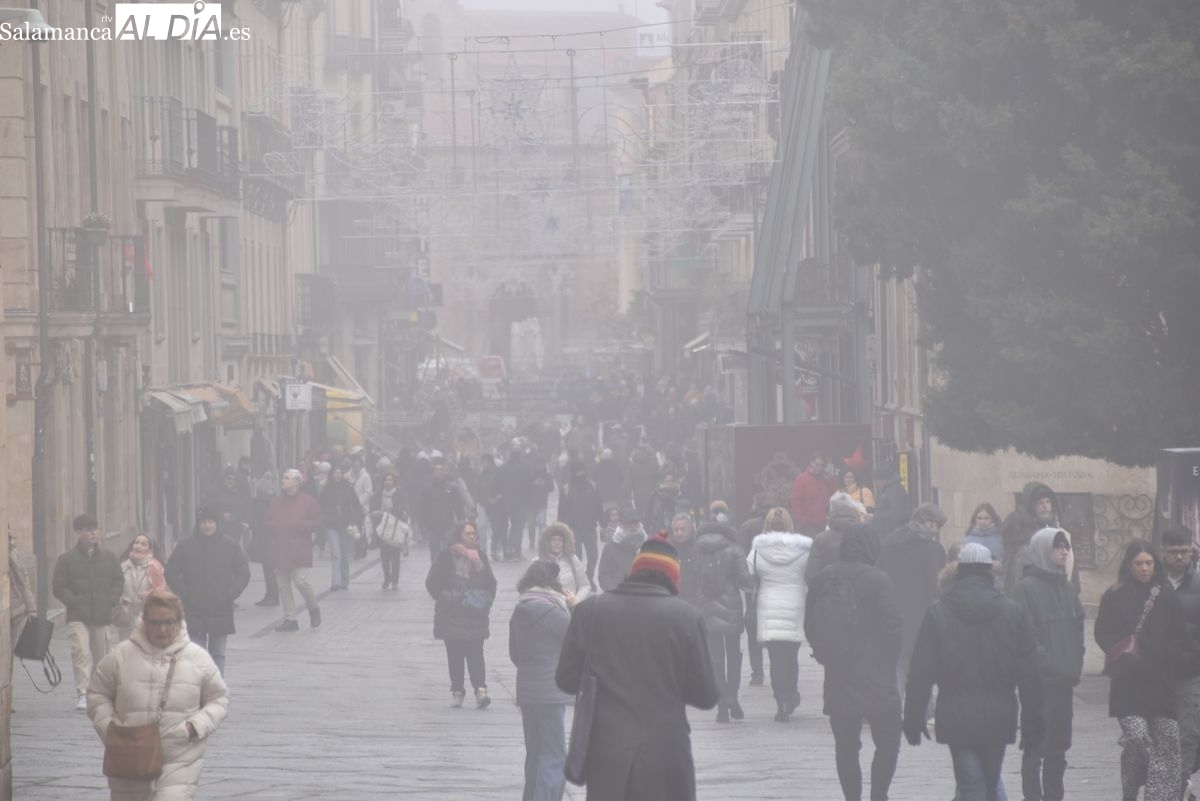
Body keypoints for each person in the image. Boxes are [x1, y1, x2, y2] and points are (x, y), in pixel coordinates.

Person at [556, 535, 720, 801]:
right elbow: (706, 695)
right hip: (666, 750)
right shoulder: (687, 618)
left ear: (634, 570)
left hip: (607, 750)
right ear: (673, 576)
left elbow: (566, 679)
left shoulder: (591, 610)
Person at [903, 543, 1043, 801]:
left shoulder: (938, 612)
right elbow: (1029, 675)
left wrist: (913, 716)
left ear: (959, 571)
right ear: (990, 570)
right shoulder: (1012, 612)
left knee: (970, 784)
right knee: (989, 783)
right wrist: (1033, 724)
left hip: (956, 713)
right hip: (999, 713)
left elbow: (921, 671)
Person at [87, 589, 229, 801]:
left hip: (179, 757)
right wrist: (109, 727)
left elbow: (219, 699)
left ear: (179, 622)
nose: (162, 629)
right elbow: (97, 693)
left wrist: (195, 726)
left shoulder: (198, 659)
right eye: (155, 623)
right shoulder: (121, 656)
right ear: (145, 621)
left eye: (168, 622)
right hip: (130, 755)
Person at [805, 523, 902, 801]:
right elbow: (893, 626)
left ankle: (852, 798)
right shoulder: (878, 579)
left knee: (846, 747)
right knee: (888, 741)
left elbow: (810, 624)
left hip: (838, 674)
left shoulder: (824, 578)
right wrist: (890, 657)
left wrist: (828, 652)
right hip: (877, 676)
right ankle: (879, 795)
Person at [1096, 541, 1194, 801]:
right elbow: (1102, 632)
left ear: (1155, 564)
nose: (1144, 568)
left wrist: (1169, 655)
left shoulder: (1167, 596)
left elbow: (1180, 637)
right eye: (1139, 563)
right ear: (1129, 565)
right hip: (1128, 683)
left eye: (1149, 563)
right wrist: (1120, 651)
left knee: (1167, 744)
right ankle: (1132, 783)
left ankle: (1159, 796)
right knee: (1137, 738)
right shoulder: (1114, 595)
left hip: (1161, 684)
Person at [1013, 528, 1085, 801]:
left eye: (1066, 547)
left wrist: (1075, 663)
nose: (1064, 552)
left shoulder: (1068, 588)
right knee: (1036, 745)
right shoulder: (1025, 588)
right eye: (1058, 547)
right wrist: (1050, 665)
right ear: (1044, 550)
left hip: (1064, 681)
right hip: (1038, 682)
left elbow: (1078, 630)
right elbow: (1026, 634)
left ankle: (1055, 795)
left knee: (1059, 745)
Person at [509, 560, 572, 801]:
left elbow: (515, 653)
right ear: (551, 580)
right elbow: (577, 639)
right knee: (553, 754)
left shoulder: (520, 609)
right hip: (551, 690)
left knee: (535, 752)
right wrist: (574, 607)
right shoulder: (553, 612)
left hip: (528, 690)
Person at [164, 507, 251, 675]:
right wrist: (185, 593)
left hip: (221, 608)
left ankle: (217, 686)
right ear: (198, 524)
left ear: (216, 523)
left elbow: (243, 573)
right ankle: (201, 686)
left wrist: (230, 594)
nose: (207, 526)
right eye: (203, 522)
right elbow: (171, 572)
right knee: (197, 654)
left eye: (211, 522)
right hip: (194, 609)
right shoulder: (185, 545)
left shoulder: (230, 545)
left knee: (218, 653)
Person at [52, 513, 124, 711]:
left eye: (95, 529)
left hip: (101, 614)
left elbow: (118, 580)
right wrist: (74, 602)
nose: (93, 533)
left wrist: (111, 600)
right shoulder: (66, 559)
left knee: (102, 656)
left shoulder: (109, 557)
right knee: (81, 652)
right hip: (78, 615)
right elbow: (59, 587)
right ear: (78, 532)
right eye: (88, 530)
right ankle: (83, 692)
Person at [747, 507, 812, 722]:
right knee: (791, 655)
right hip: (795, 603)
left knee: (775, 658)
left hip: (769, 604)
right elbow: (811, 573)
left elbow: (748, 572)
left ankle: (781, 700)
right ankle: (791, 694)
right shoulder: (803, 550)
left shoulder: (758, 551)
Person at [425, 520, 498, 709]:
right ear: (459, 535)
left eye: (474, 533)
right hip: (452, 614)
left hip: (475, 613)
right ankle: (457, 690)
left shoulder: (480, 556)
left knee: (476, 654)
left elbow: (491, 582)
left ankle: (481, 690)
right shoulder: (446, 556)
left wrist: (486, 600)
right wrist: (448, 597)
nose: (472, 536)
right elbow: (432, 582)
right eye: (468, 533)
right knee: (455, 655)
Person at [878, 502, 948, 692]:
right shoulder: (933, 549)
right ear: (926, 522)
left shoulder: (889, 542)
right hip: (921, 614)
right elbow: (936, 586)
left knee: (899, 662)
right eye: (935, 525)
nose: (936, 531)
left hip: (892, 610)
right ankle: (923, 706)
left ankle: (894, 704)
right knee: (921, 666)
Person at [694, 501, 753, 722]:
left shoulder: (697, 549)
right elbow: (744, 579)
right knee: (734, 653)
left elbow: (694, 576)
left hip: (706, 607)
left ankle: (721, 707)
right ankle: (732, 697)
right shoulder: (734, 549)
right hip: (731, 608)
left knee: (715, 657)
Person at [1162, 526, 1200, 798]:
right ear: (1163, 551)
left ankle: (1178, 788)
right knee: (1159, 736)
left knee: (1187, 732)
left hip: (1191, 670)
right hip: (1157, 673)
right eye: (1173, 551)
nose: (1179, 557)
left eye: (1184, 552)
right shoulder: (1151, 581)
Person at [265, 469, 323, 632]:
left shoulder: (308, 501)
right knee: (283, 585)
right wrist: (274, 526)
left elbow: (318, 522)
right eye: (283, 478)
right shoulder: (276, 501)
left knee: (300, 581)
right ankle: (290, 619)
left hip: (299, 548)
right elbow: (267, 520)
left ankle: (313, 607)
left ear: (297, 482)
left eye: (287, 478)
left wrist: (300, 525)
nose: (283, 480)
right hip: (280, 547)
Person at [1019, 482, 1080, 594]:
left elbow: (1070, 564)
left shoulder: (1062, 532)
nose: (1046, 507)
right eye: (1040, 503)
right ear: (1032, 507)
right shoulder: (1024, 532)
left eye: (1048, 502)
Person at [557, 463, 605, 582]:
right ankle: (581, 580)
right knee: (577, 558)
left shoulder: (592, 487)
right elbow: (561, 511)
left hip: (590, 528)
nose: (581, 474)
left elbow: (599, 507)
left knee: (593, 556)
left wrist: (603, 525)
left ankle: (589, 576)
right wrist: (560, 530)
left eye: (583, 472)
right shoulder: (566, 489)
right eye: (579, 472)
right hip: (573, 529)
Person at [806, 491, 869, 582]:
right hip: (861, 588)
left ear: (831, 511)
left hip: (830, 588)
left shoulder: (821, 539)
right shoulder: (866, 536)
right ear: (852, 508)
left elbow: (811, 574)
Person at [417, 456, 471, 561]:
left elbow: (458, 507)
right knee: (434, 553)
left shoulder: (451, 488)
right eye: (437, 470)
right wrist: (422, 525)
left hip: (448, 525)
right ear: (433, 472)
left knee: (449, 551)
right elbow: (422, 508)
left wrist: (461, 522)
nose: (440, 472)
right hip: (432, 526)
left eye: (442, 469)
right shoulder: (427, 489)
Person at [114, 533, 166, 642]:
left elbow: (162, 592)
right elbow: (115, 586)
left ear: (150, 550)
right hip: (126, 617)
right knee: (126, 648)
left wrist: (149, 594)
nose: (138, 546)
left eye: (143, 544)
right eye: (136, 543)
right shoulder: (123, 566)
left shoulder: (155, 567)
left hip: (147, 617)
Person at [320, 465, 363, 591]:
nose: (338, 475)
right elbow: (321, 506)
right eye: (335, 473)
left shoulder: (348, 488)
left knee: (344, 554)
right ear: (331, 475)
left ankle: (344, 580)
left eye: (339, 473)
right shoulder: (326, 489)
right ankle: (335, 582)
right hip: (331, 525)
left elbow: (356, 504)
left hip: (345, 525)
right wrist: (325, 520)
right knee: (336, 554)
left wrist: (356, 519)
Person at [534, 522, 590, 605]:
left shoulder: (572, 560)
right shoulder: (537, 562)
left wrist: (576, 600)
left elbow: (585, 586)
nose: (557, 543)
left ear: (565, 542)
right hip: (546, 608)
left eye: (560, 540)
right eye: (553, 540)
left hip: (570, 608)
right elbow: (529, 589)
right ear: (547, 542)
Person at [371, 472, 408, 590]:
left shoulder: (399, 494)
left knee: (395, 555)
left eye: (390, 480)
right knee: (384, 555)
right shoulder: (378, 494)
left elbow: (403, 509)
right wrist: (376, 513)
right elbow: (372, 508)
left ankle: (395, 581)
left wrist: (389, 512)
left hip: (395, 527)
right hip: (382, 527)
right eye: (386, 480)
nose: (388, 482)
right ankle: (387, 578)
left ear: (394, 482)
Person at [596, 508, 648, 592]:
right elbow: (604, 577)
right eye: (628, 523)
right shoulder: (610, 548)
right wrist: (616, 593)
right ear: (620, 524)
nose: (632, 526)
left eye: (635, 522)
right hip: (619, 594)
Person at [202, 467, 251, 548]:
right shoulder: (215, 492)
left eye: (234, 479)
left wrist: (240, 520)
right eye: (229, 478)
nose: (231, 481)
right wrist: (221, 515)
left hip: (234, 534)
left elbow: (243, 512)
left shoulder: (237, 495)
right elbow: (206, 510)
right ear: (223, 479)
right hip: (218, 533)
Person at [790, 454, 836, 537]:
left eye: (822, 466)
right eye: (817, 464)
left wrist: (830, 479)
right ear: (811, 462)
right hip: (808, 525)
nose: (819, 468)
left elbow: (834, 496)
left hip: (826, 523)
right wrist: (803, 521)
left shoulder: (827, 479)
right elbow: (796, 501)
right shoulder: (801, 478)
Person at [9, 537, 37, 651]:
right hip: (10, 610)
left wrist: (31, 607)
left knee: (10, 651)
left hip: (16, 611)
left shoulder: (13, 551)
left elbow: (24, 580)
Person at [668, 512, 700, 606]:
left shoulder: (699, 548)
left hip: (695, 601)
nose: (679, 533)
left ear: (691, 529)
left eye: (683, 529)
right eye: (676, 529)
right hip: (673, 601)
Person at [872, 466, 912, 540]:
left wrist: (875, 517)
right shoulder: (888, 490)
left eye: (876, 480)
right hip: (888, 532)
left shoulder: (894, 490)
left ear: (881, 480)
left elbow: (897, 513)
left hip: (892, 534)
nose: (876, 484)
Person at [348, 454, 374, 560]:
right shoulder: (348, 475)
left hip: (361, 507)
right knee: (352, 528)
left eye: (358, 466)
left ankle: (360, 548)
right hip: (350, 506)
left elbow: (369, 492)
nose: (356, 467)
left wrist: (359, 502)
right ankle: (356, 548)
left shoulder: (365, 476)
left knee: (359, 528)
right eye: (354, 465)